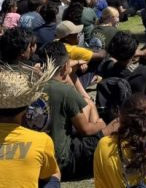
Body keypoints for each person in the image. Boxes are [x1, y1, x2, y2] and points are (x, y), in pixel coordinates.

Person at [37, 41, 118, 180]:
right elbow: (86, 130)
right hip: (62, 160)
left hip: (38, 156)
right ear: (65, 66)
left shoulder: (32, 86)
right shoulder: (64, 91)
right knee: (115, 124)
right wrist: (101, 124)